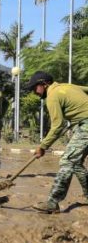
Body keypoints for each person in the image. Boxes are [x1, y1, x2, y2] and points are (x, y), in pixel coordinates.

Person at [26, 71, 88, 213]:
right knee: (75, 163)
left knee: (67, 161)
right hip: (83, 125)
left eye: (35, 88)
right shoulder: (68, 86)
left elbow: (58, 125)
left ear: (44, 84)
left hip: (86, 126)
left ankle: (52, 202)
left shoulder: (52, 96)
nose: (34, 92)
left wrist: (43, 146)